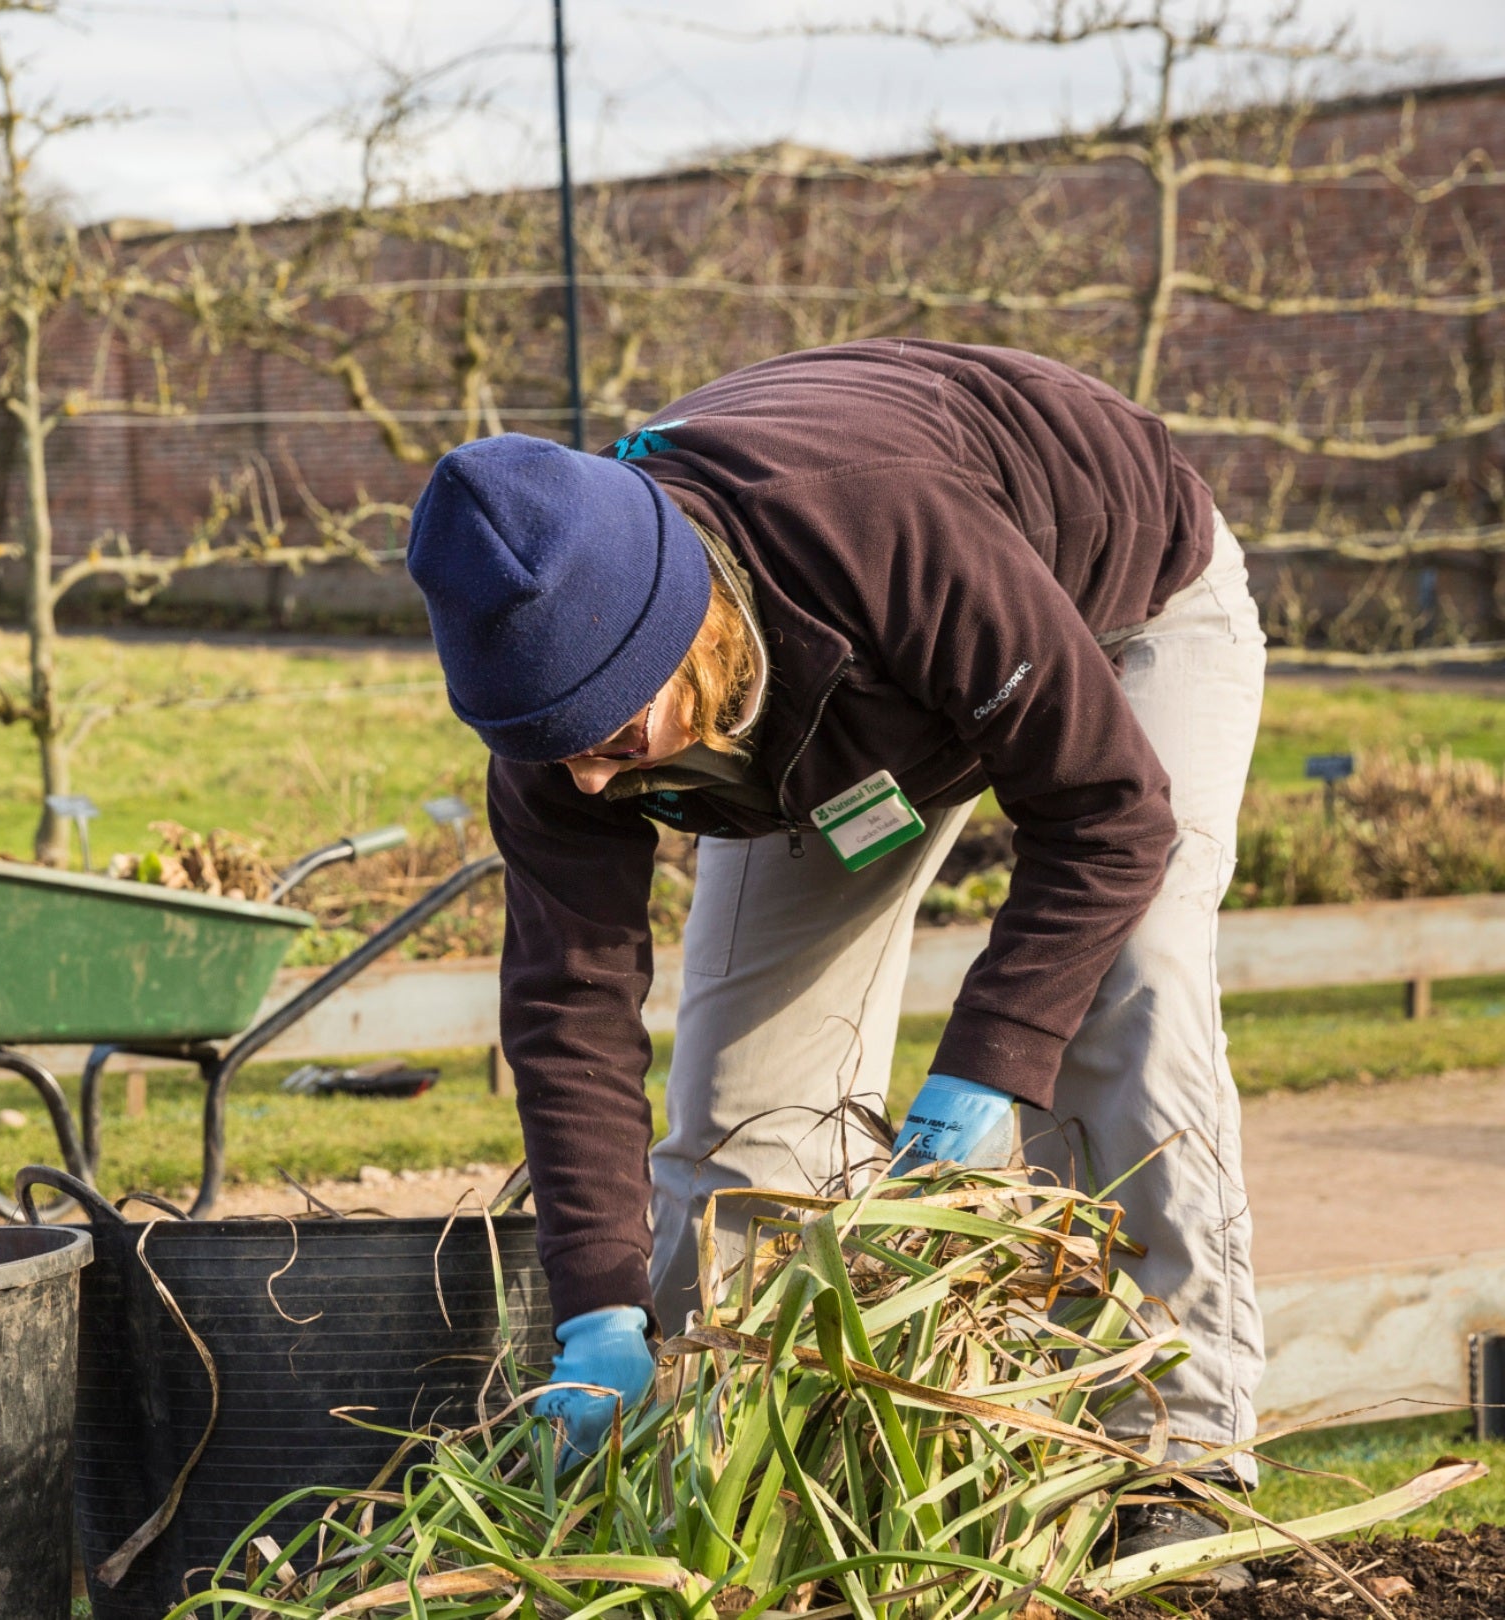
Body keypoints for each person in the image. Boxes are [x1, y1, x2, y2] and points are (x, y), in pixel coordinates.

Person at [405, 339, 1266, 1573]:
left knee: (1130, 982)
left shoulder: (877, 517)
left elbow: (1108, 814)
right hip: (838, 731)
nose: (592, 778)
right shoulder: (562, 732)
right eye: (555, 752)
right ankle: (749, 1461)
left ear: (682, 627)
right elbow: (571, 1008)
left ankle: (1174, 1457)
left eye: (611, 738)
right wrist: (599, 1303)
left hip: (1117, 604)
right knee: (743, 1114)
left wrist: (990, 1063)